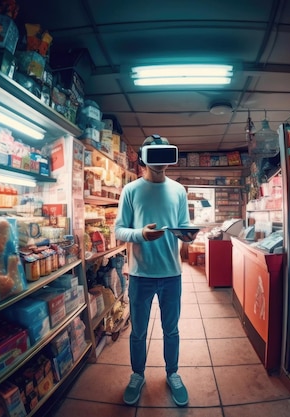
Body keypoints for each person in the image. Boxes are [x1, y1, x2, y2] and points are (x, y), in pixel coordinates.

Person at [115, 134, 195, 407]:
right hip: (140, 275)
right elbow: (119, 230)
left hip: (172, 274)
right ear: (144, 158)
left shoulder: (178, 190)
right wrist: (140, 234)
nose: (160, 162)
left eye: (164, 155)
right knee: (138, 331)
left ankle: (172, 373)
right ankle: (137, 374)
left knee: (171, 330)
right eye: (154, 155)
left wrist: (187, 235)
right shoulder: (131, 190)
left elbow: (183, 224)